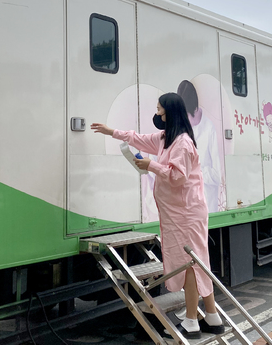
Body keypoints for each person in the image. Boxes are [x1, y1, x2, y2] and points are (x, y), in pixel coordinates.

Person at [91, 93, 224, 338]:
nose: (157, 113)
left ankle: (193, 320)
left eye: (160, 109)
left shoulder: (182, 143)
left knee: (190, 264)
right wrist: (111, 132)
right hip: (178, 213)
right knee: (196, 261)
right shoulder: (165, 139)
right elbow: (138, 139)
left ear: (170, 112)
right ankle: (213, 317)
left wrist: (149, 165)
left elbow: (178, 176)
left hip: (187, 213)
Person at [177, 80, 224, 212]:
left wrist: (195, 171)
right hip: (186, 208)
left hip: (206, 207)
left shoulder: (209, 129)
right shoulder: (181, 129)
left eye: (186, 115)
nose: (185, 120)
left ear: (195, 109)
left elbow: (217, 175)